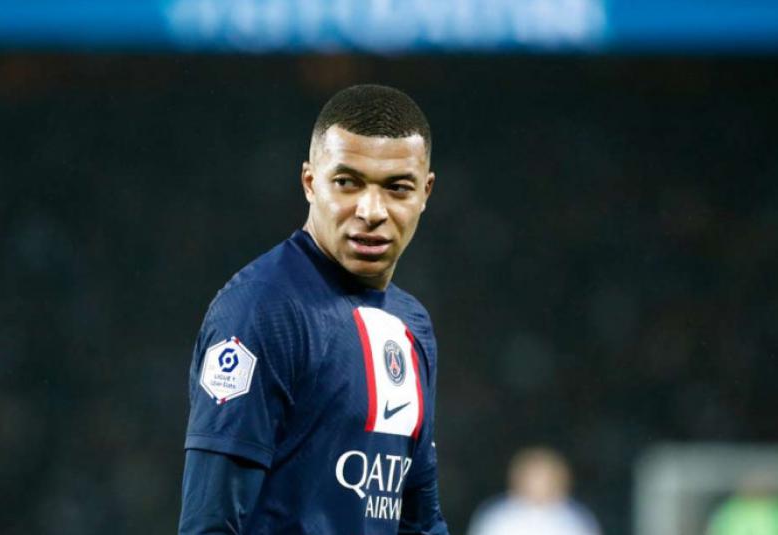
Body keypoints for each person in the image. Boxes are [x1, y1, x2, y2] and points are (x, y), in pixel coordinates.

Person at [178, 84, 449, 534]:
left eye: (397, 188)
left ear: (426, 191)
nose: (371, 210)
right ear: (310, 183)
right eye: (347, 183)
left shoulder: (411, 324)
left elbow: (419, 522)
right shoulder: (261, 311)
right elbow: (210, 524)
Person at [466, 447, 600, 535]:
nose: (539, 484)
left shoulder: (577, 520)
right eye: (534, 476)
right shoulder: (497, 518)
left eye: (546, 477)